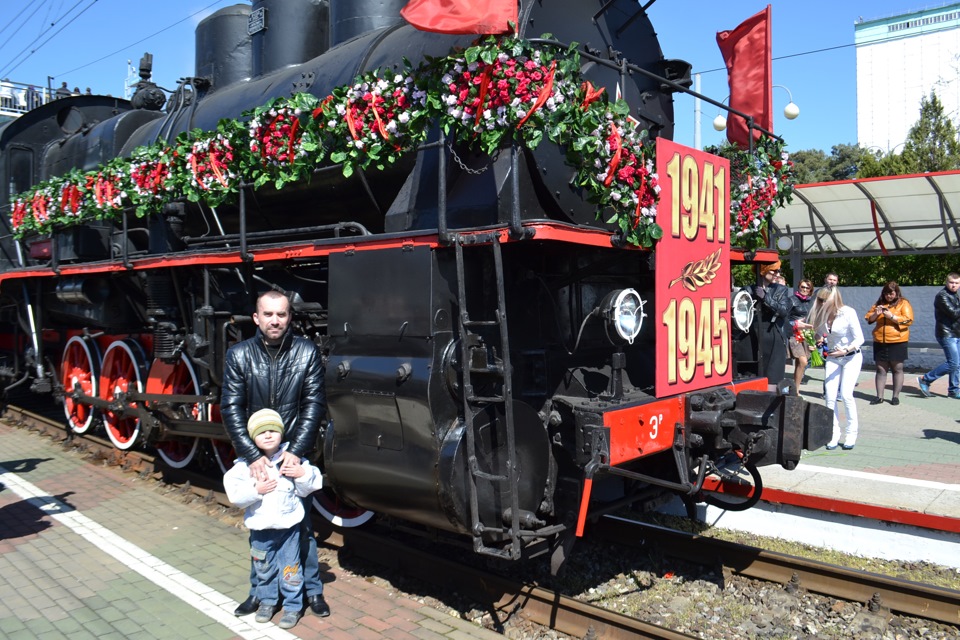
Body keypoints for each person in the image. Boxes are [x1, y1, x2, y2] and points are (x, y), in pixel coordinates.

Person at [220, 290, 330, 618]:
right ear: (256, 318)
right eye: (268, 314)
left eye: (281, 314)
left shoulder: (306, 351)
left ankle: (312, 590)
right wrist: (252, 455)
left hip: (290, 454)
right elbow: (231, 407)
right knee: (260, 530)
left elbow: (314, 404)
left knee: (302, 527)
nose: (274, 320)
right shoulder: (239, 355)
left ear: (290, 317)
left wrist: (296, 452)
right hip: (255, 455)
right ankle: (258, 592)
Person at [223, 408, 325, 629]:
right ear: (252, 438)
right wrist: (256, 489)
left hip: (288, 528)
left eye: (272, 430)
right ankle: (268, 602)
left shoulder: (291, 459)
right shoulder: (244, 466)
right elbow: (234, 494)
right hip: (260, 529)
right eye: (261, 432)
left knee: (291, 568)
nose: (268, 435)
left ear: (281, 432)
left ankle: (293, 606)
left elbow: (314, 483)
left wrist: (301, 474)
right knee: (264, 568)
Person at [803, 286, 864, 450]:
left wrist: (845, 350)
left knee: (846, 394)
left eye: (825, 300)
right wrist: (813, 343)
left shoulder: (848, 312)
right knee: (829, 396)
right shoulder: (820, 315)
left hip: (851, 356)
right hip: (832, 358)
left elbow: (860, 339)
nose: (822, 303)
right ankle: (833, 434)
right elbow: (818, 335)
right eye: (820, 300)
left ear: (833, 300)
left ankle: (851, 433)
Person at [865, 282, 913, 405]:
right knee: (881, 369)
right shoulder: (879, 303)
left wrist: (892, 316)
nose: (888, 296)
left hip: (898, 340)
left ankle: (895, 396)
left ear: (896, 293)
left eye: (891, 293)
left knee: (897, 368)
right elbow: (869, 318)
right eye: (886, 293)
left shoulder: (903, 303)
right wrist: (876, 313)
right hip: (880, 340)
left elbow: (908, 320)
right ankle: (879, 397)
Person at [917, 272, 960, 399]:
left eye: (956, 283)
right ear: (946, 283)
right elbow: (953, 313)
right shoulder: (942, 296)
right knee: (953, 363)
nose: (954, 285)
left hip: (956, 334)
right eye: (951, 283)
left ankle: (954, 390)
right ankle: (926, 379)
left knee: (957, 363)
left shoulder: (955, 295)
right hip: (946, 334)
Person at [749, 260, 791, 386]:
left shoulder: (781, 289)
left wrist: (765, 298)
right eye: (774, 270)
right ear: (763, 270)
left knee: (774, 374)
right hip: (753, 334)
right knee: (753, 373)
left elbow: (783, 311)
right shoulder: (749, 289)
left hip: (773, 332)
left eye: (779, 271)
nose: (777, 274)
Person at [786, 279, 815, 393]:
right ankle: (794, 389)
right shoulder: (792, 300)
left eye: (807, 288)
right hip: (795, 334)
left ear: (810, 290)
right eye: (802, 287)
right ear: (798, 287)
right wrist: (796, 324)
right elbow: (784, 318)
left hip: (807, 334)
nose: (804, 289)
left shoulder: (811, 302)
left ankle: (796, 389)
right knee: (803, 362)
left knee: (800, 364)